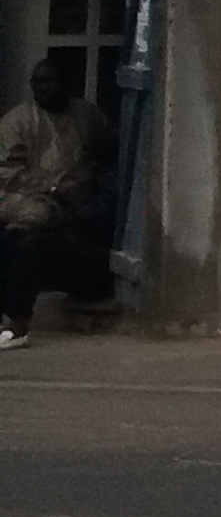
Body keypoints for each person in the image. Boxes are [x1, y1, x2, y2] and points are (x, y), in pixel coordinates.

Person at [0, 55, 113, 349]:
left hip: (81, 216)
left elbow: (104, 155)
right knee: (21, 234)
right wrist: (50, 188)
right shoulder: (18, 122)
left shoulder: (88, 117)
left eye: (49, 81)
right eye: (37, 82)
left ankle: (17, 321)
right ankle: (15, 319)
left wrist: (79, 189)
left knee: (30, 241)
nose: (42, 88)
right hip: (31, 200)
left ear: (67, 84)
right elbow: (7, 172)